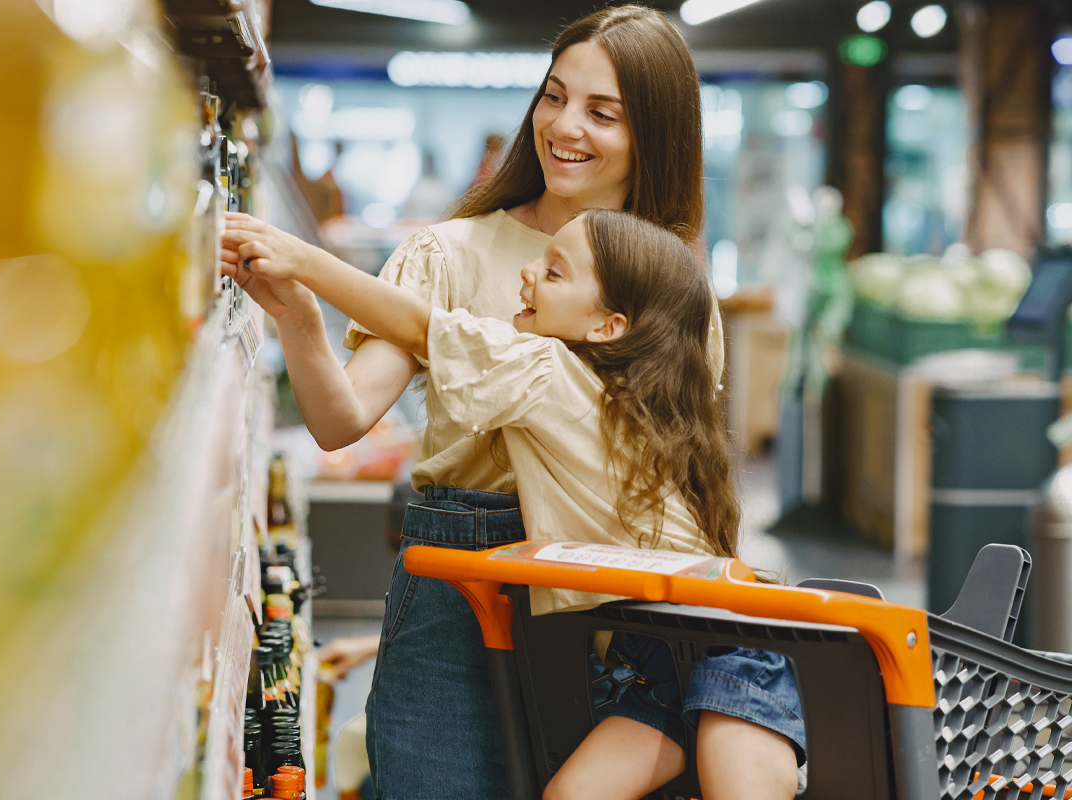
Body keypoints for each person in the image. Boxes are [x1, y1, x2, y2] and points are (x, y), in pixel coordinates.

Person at [219, 6, 745, 798]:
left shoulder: (671, 289)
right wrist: (297, 313)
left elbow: (675, 462)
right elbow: (340, 420)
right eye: (555, 96)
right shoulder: (450, 251)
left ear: (654, 136)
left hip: (617, 606)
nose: (565, 126)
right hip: (457, 585)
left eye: (603, 112)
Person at [223, 209, 803, 799]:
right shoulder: (622, 396)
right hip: (649, 665)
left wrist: (301, 259)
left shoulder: (551, 372)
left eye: (554, 272)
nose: (525, 273)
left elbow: (420, 324)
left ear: (607, 325)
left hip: (727, 647)